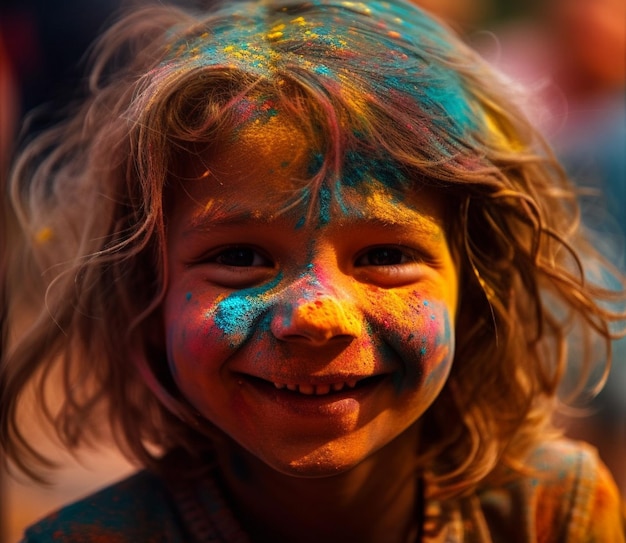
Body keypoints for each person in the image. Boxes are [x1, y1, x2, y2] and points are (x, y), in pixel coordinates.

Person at [1, 0, 625, 540]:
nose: (316, 315)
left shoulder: (553, 513)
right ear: (145, 290)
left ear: (478, 284)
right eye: (240, 258)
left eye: (384, 257)